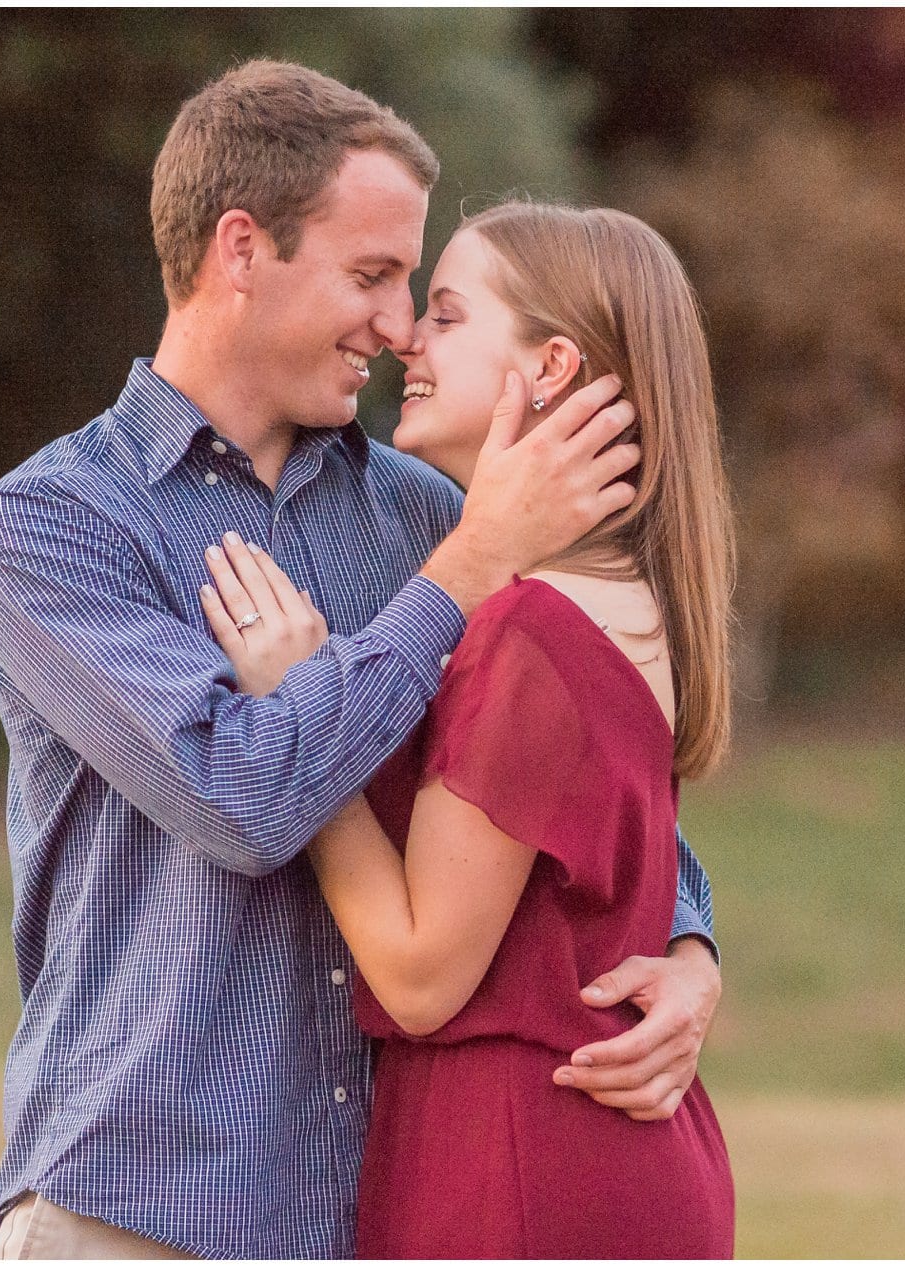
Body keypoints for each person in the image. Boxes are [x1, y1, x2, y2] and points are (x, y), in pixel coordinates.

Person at [0, 61, 724, 1260]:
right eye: (372, 275)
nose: (401, 322)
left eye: (414, 282)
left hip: (367, 1214)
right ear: (241, 249)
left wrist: (687, 949)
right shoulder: (50, 529)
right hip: (129, 1215)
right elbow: (244, 792)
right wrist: (465, 574)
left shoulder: (425, 518)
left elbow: (572, 771)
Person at [202, 200, 737, 1257]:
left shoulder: (531, 632)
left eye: (446, 314)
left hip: (518, 1166)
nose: (406, 337)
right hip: (585, 1146)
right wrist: (694, 948)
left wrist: (302, 710)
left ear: (547, 369)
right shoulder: (608, 600)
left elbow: (416, 970)